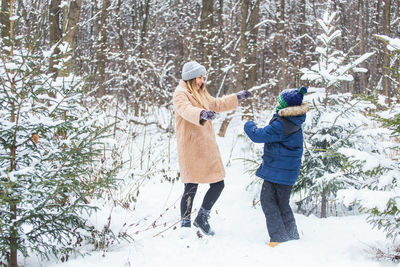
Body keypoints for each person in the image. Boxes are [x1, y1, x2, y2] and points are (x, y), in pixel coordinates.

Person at [173, 61, 251, 236]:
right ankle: (185, 226)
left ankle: (202, 217)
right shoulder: (181, 93)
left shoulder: (201, 93)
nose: (202, 81)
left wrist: (236, 97)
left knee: (218, 184)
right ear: (191, 77)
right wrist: (201, 114)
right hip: (191, 147)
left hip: (207, 147)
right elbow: (185, 110)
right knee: (191, 187)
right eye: (200, 77)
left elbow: (216, 103)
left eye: (203, 77)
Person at [243, 86, 309, 247]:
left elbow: (258, 135)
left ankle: (279, 237)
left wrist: (248, 125)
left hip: (279, 171)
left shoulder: (283, 124)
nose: (277, 104)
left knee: (268, 202)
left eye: (280, 102)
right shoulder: (292, 120)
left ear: (286, 106)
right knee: (281, 203)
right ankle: (291, 236)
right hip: (284, 171)